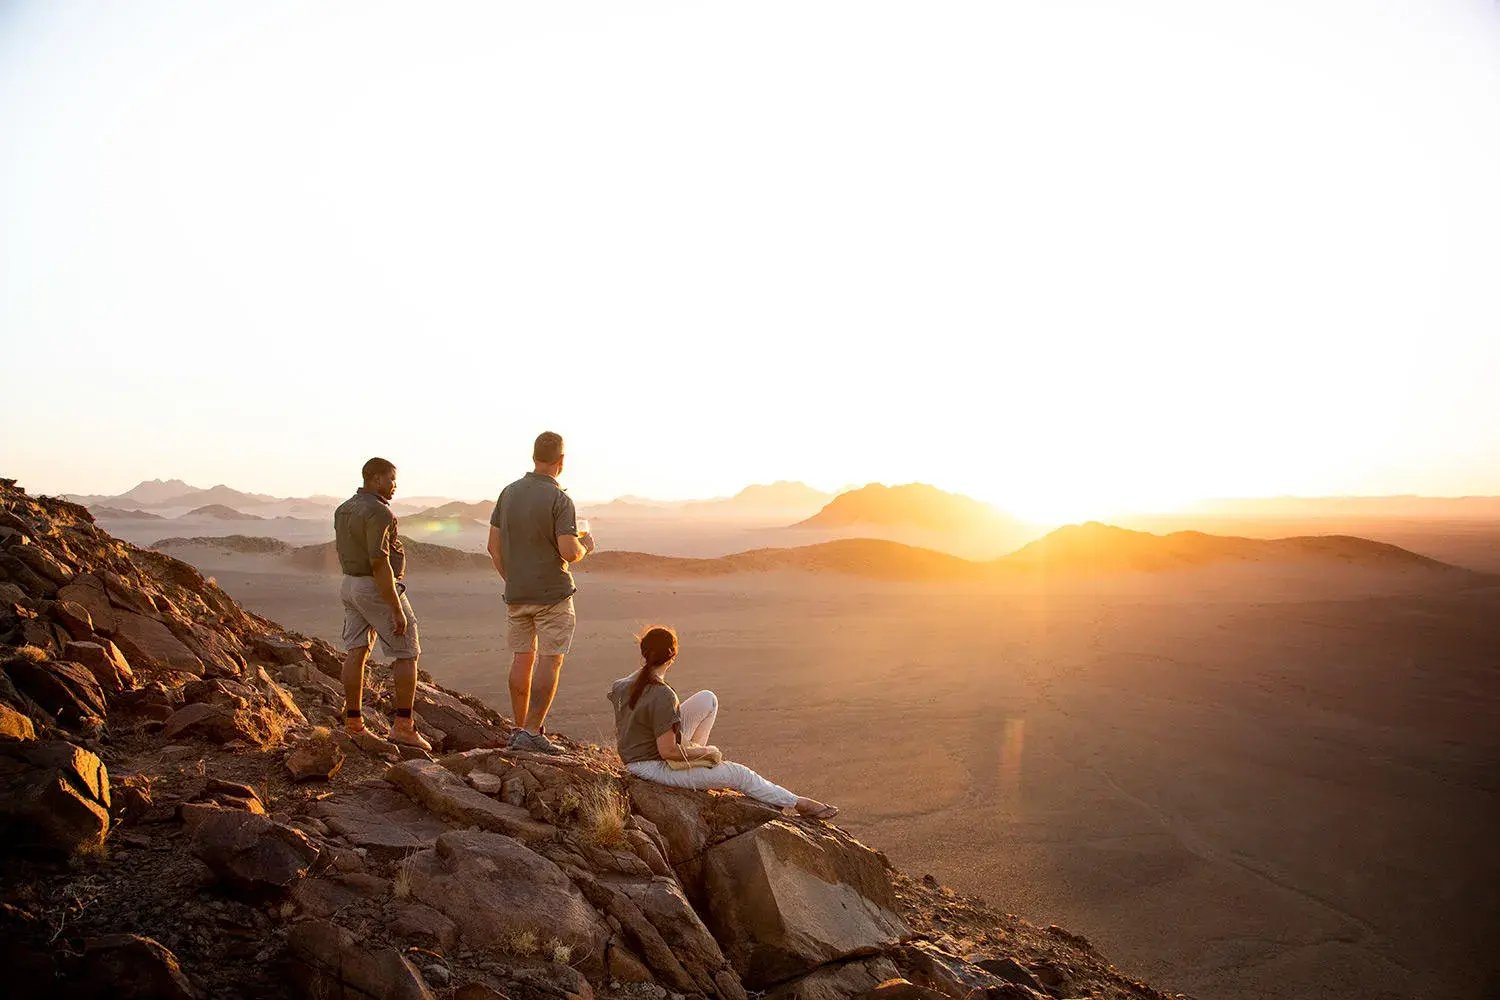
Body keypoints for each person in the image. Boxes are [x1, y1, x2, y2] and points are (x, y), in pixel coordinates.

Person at [608, 625, 839, 819]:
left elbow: (638, 717)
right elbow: (667, 751)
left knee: (708, 699)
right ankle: (798, 803)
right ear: (673, 656)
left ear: (644, 652)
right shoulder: (663, 695)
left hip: (637, 754)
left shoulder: (621, 685)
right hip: (650, 767)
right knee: (738, 774)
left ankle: (698, 770)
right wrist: (707, 753)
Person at [488, 431, 595, 754]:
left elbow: (494, 548)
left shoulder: (508, 494)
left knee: (522, 658)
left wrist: (514, 579)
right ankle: (533, 732)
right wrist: (585, 547)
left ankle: (519, 727)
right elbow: (567, 550)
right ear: (561, 462)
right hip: (552, 595)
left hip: (517, 592)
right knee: (550, 660)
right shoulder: (560, 500)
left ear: (534, 456)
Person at [332, 457, 431, 751]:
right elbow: (379, 560)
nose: (394, 486)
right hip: (375, 587)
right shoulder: (379, 513)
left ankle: (353, 723)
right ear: (374, 479)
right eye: (391, 479)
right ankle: (403, 726)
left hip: (350, 584)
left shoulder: (343, 508)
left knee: (357, 650)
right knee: (407, 652)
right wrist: (395, 607)